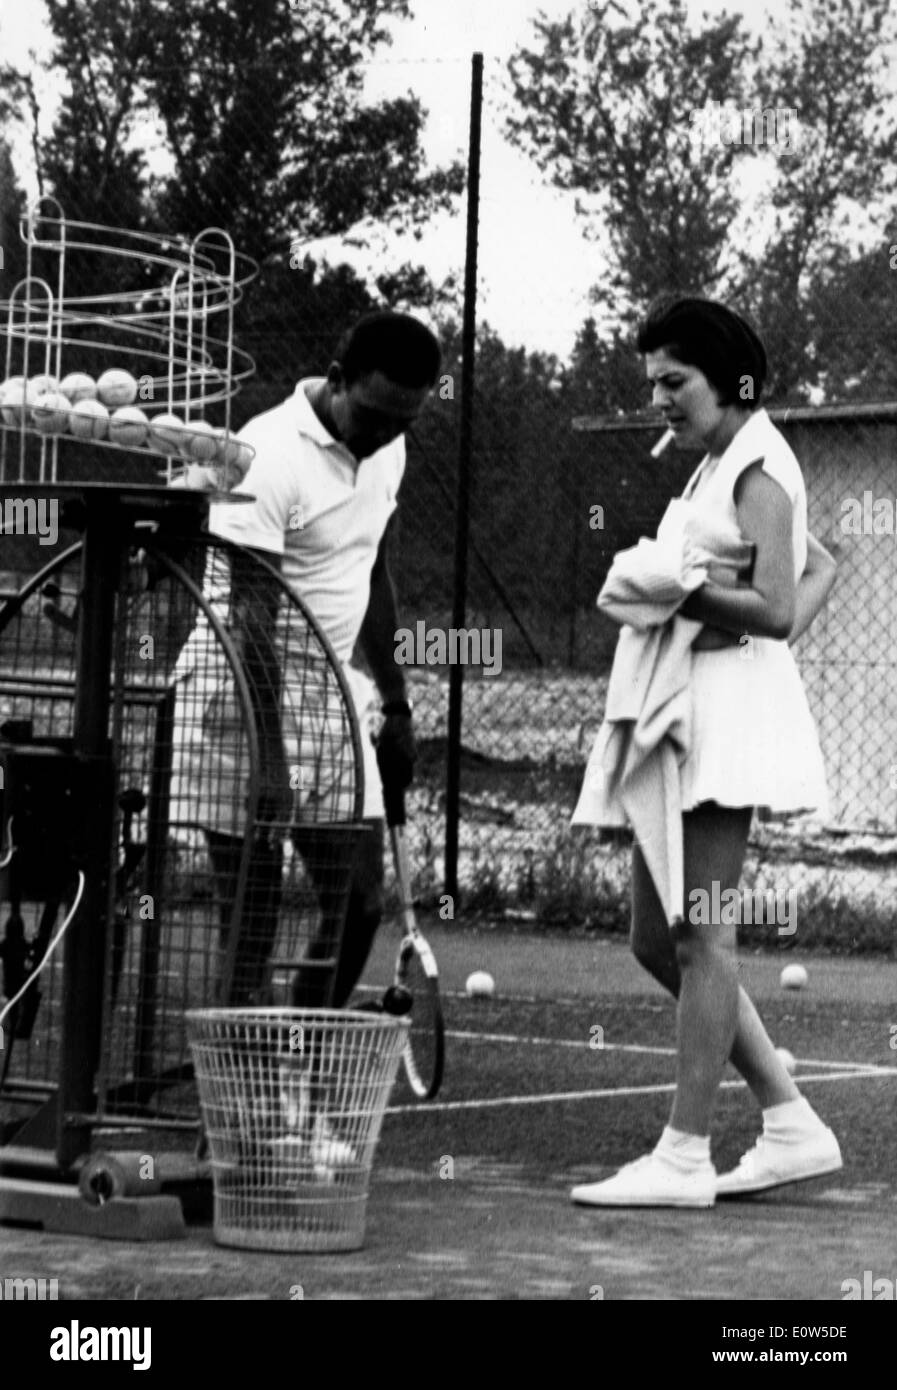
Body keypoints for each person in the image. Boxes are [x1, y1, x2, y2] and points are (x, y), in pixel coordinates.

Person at [570, 294, 841, 1208]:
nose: (658, 397)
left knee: (703, 938)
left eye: (672, 381)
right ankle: (791, 1121)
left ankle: (683, 1156)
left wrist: (675, 593)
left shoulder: (760, 462)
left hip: (726, 730)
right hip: (686, 716)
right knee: (659, 938)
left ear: (728, 380)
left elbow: (770, 608)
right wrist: (688, 591)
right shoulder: (722, 463)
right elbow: (820, 566)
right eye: (650, 381)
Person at [178, 309, 441, 1011]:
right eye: (377, 414)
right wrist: (272, 761)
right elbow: (249, 619)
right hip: (237, 691)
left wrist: (396, 705)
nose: (386, 433)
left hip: (330, 691)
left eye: (404, 421)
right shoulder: (263, 455)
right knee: (252, 920)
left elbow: (372, 572)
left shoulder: (388, 446)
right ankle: (240, 1110)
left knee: (356, 906)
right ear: (336, 381)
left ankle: (299, 1074)